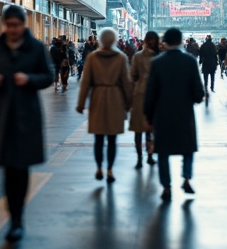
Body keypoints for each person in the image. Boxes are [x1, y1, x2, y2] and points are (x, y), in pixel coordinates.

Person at [0, 5, 54, 243]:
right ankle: (13, 219)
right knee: (9, 170)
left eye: (16, 25)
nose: (12, 29)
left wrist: (29, 79)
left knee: (21, 169)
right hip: (2, 116)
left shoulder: (36, 48)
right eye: (8, 25)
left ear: (24, 24)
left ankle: (18, 220)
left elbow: (48, 76)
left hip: (27, 117)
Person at [144, 27, 205, 202]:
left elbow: (151, 93)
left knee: (163, 151)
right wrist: (196, 99)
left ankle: (166, 186)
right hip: (184, 112)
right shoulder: (190, 61)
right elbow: (198, 92)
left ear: (165, 42)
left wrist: (148, 116)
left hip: (162, 113)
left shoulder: (157, 62)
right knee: (187, 147)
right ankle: (186, 178)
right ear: (180, 41)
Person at [77, 28, 132, 183]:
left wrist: (81, 104)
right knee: (113, 139)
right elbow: (126, 83)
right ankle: (109, 170)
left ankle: (99, 167)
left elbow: (86, 82)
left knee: (98, 138)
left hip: (98, 98)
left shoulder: (93, 58)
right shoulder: (121, 58)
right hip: (115, 98)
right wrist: (129, 103)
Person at [129, 30, 159, 169]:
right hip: (153, 96)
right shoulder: (158, 57)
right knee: (150, 129)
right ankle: (150, 156)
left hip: (139, 95)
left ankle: (139, 158)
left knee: (138, 130)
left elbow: (132, 76)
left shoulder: (137, 56)